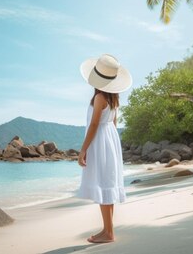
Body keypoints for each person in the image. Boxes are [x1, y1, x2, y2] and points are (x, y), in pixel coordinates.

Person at [75, 53, 132, 244]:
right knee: (107, 186)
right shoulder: (114, 100)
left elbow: (93, 125)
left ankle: (108, 233)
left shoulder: (99, 97)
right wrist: (111, 148)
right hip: (109, 141)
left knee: (102, 184)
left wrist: (83, 150)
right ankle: (108, 230)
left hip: (100, 141)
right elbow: (113, 124)